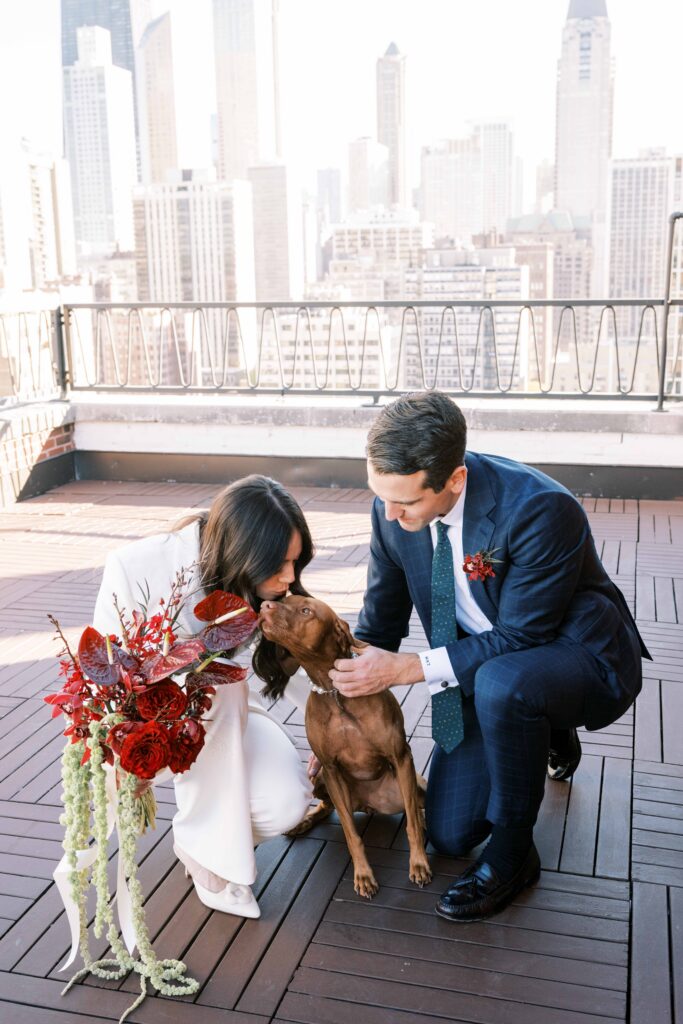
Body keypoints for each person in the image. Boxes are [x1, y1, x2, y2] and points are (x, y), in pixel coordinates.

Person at [329, 391, 649, 921]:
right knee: (452, 834)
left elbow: (521, 636)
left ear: (454, 480)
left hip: (575, 651)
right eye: (380, 496)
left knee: (506, 684)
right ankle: (538, 728)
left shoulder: (541, 509)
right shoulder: (392, 511)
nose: (389, 514)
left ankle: (515, 857)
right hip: (487, 665)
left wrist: (410, 668)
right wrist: (338, 720)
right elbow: (378, 625)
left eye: (405, 502)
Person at [93, 475, 313, 919]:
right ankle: (213, 860)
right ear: (243, 553)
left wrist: (331, 732)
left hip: (226, 719)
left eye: (295, 562)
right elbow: (105, 678)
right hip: (147, 729)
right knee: (220, 682)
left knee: (288, 803)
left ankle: (201, 836)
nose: (290, 578)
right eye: (278, 564)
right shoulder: (135, 567)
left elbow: (300, 664)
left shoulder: (261, 582)